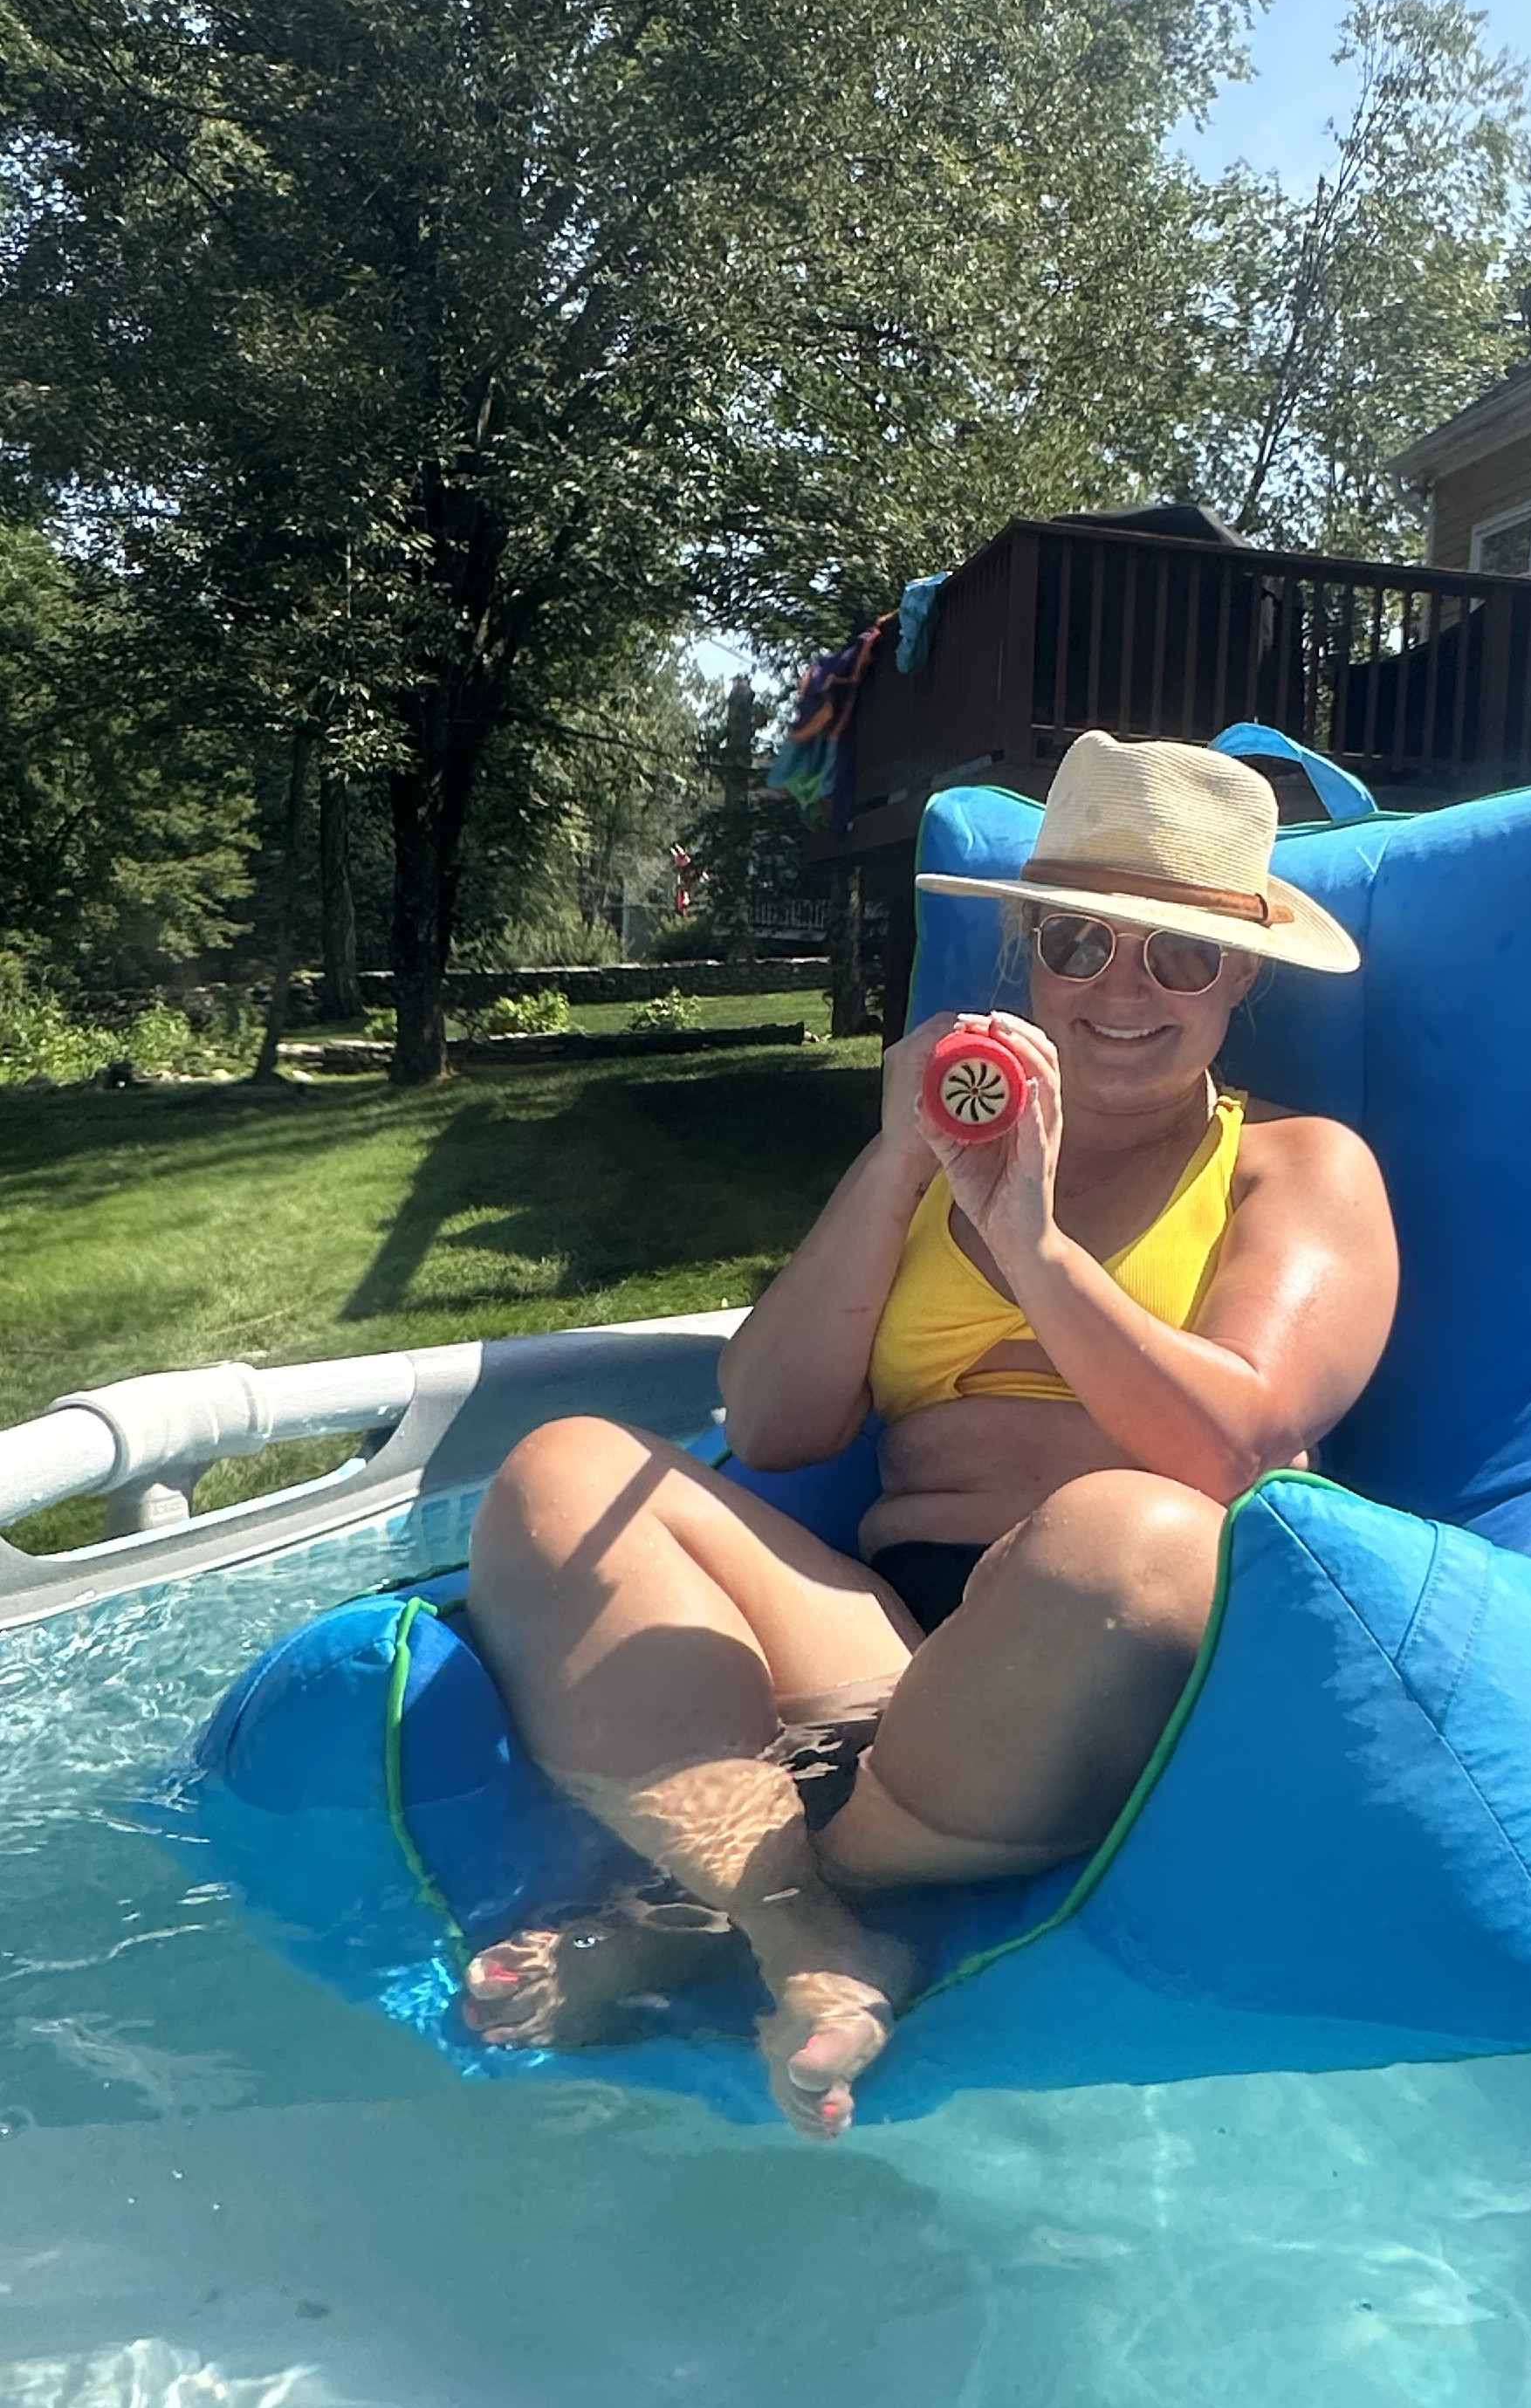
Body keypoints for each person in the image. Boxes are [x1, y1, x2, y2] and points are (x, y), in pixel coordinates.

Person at [460, 735, 1397, 2138]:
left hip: (1115, 1641)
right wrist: (898, 1159)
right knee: (562, 1470)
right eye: (1081, 941)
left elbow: (1234, 1453)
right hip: (893, 1643)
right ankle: (802, 1928)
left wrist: (1028, 1240)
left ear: (1242, 977)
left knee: (1122, 1532)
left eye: (1180, 958)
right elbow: (773, 1429)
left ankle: (703, 1913)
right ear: (1022, 953)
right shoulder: (936, 1159)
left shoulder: (1299, 1164)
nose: (1124, 989)